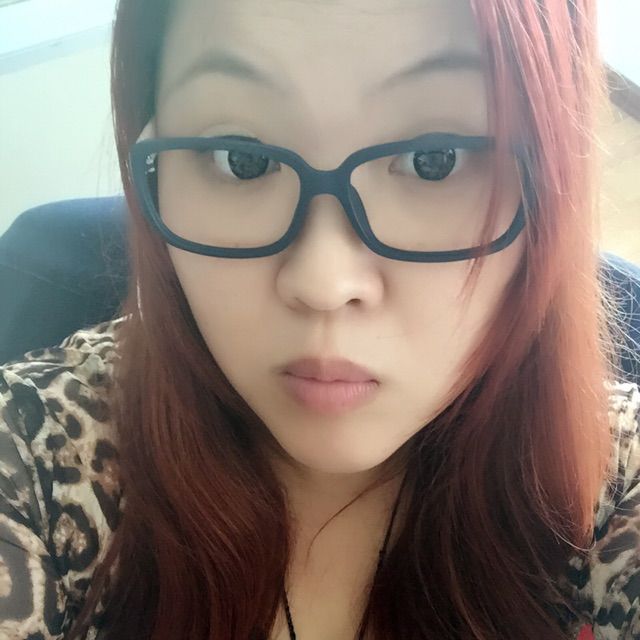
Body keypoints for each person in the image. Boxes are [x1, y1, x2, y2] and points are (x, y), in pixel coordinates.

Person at [0, 0, 638, 638]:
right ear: (148, 157)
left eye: (435, 159)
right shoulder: (34, 455)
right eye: (240, 158)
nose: (324, 284)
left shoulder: (613, 490)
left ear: (554, 178)